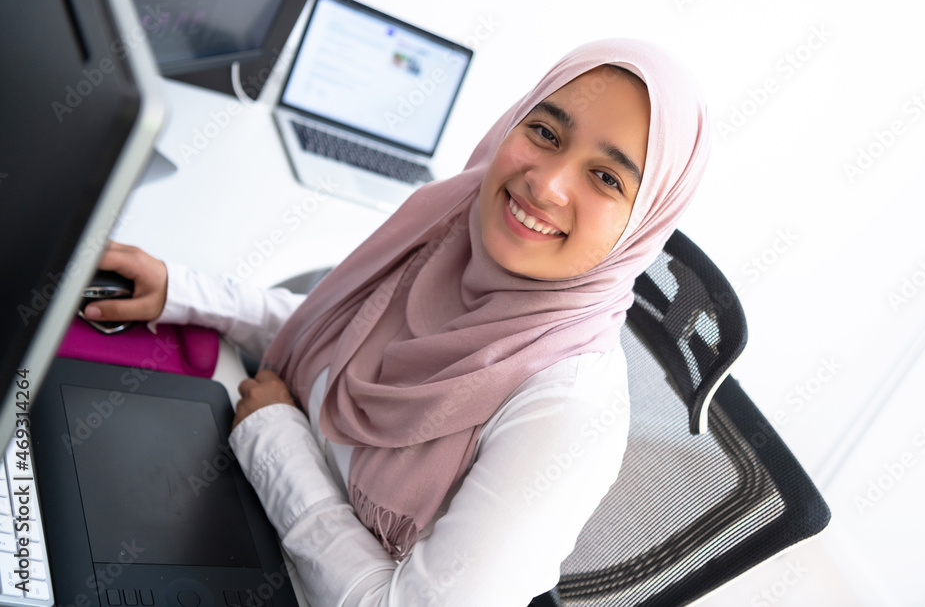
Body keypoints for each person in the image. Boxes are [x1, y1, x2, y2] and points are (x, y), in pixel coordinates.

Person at [86, 38, 709, 606]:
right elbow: (334, 337)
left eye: (605, 177)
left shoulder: (568, 408)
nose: (545, 184)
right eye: (546, 132)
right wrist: (185, 291)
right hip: (246, 510)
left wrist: (274, 438)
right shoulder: (451, 238)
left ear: (645, 222)